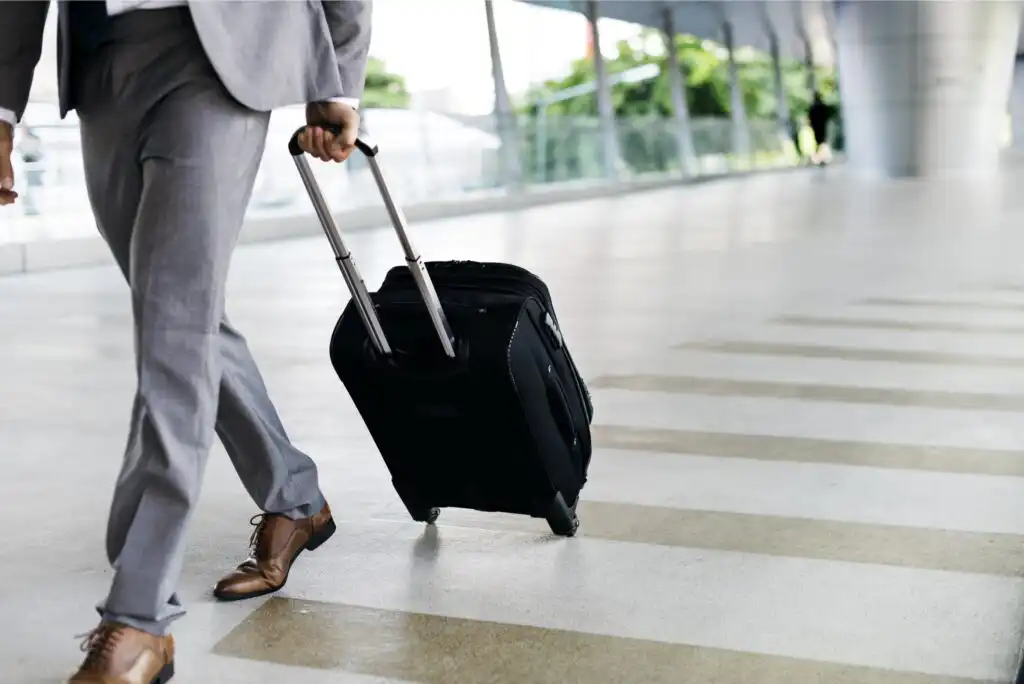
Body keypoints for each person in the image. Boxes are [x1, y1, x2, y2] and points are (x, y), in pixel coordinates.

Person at [0, 2, 371, 681]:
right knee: (179, 310)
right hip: (102, 56)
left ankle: (138, 617)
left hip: (220, 54)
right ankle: (296, 496)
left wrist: (338, 74)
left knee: (174, 323)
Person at [807, 92, 833, 165]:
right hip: (822, 126)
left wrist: (811, 125)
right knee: (823, 141)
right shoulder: (822, 106)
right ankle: (822, 158)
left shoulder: (813, 107)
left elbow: (810, 118)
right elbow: (827, 115)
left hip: (816, 126)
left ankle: (820, 158)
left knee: (819, 142)